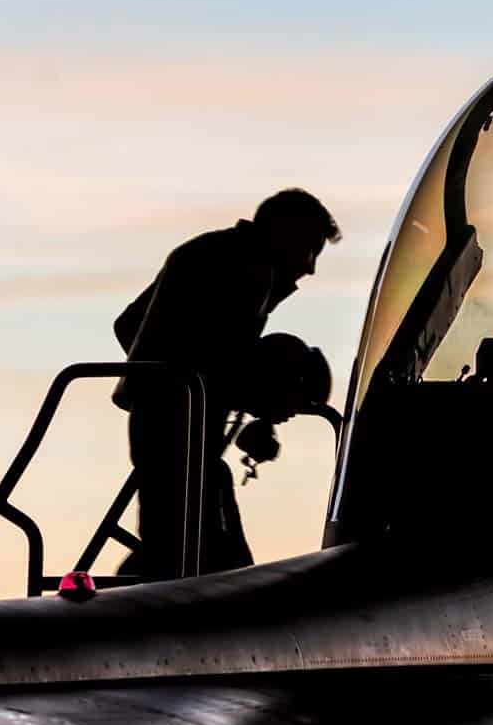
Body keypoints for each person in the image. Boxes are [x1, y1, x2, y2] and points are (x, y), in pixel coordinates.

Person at [112, 188, 341, 581]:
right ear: (285, 235)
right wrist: (262, 397)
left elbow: (129, 324)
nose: (310, 268)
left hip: (165, 417)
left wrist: (165, 373)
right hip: (177, 424)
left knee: (183, 534)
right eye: (311, 251)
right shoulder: (250, 269)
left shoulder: (210, 252)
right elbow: (223, 359)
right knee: (187, 553)